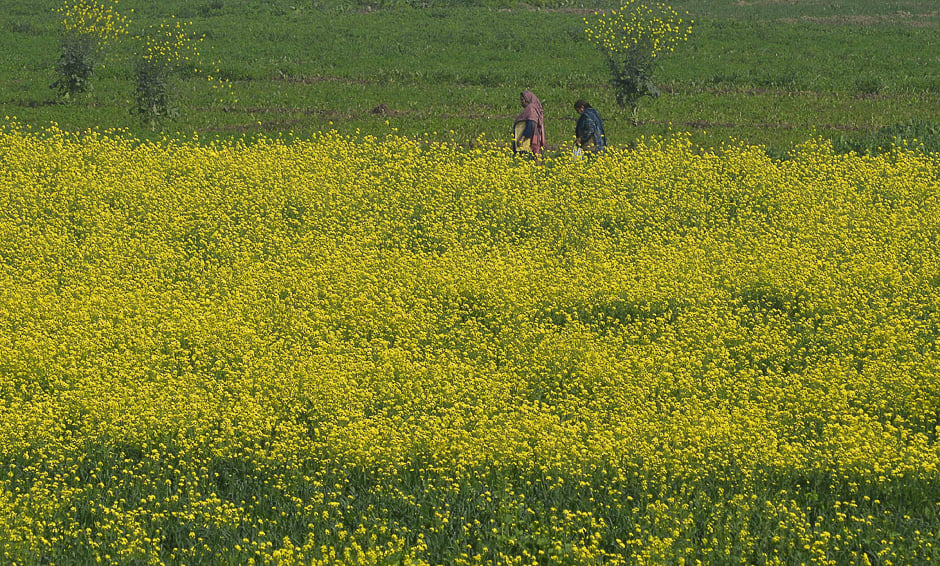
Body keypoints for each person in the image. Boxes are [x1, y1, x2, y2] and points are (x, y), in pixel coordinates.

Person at [513, 90, 546, 159]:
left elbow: (531, 125)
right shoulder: (529, 109)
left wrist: (522, 139)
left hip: (525, 143)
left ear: (528, 99)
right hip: (522, 143)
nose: (522, 102)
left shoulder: (531, 109)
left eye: (523, 99)